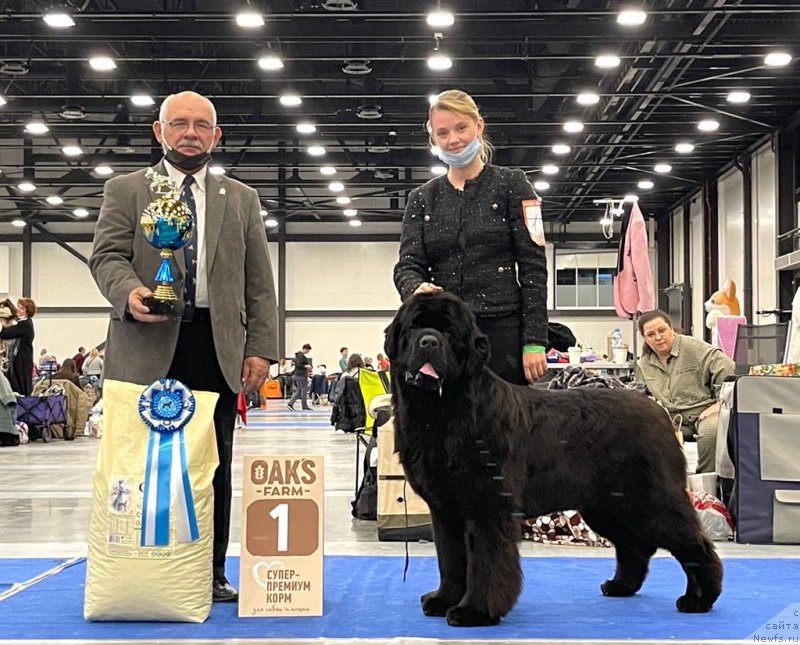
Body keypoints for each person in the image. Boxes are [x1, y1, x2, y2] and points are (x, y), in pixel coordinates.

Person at [88, 90, 278, 603]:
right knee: (137, 464)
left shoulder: (241, 199)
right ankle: (136, 564)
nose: (190, 133)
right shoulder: (125, 190)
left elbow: (258, 281)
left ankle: (211, 570)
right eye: (179, 124)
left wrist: (260, 347)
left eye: (201, 125)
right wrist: (129, 293)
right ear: (159, 131)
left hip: (216, 348)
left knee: (212, 468)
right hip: (144, 343)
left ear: (216, 136)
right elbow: (105, 257)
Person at [393, 89, 548, 386]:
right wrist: (413, 287)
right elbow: (407, 265)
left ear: (479, 126)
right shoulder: (421, 198)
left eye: (461, 127)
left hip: (503, 333)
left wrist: (534, 341)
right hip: (443, 338)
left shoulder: (514, 184)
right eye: (443, 132)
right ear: (433, 139)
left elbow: (533, 269)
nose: (453, 139)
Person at [634, 310, 734, 474]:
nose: (658, 337)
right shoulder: (643, 364)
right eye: (651, 334)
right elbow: (641, 396)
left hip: (705, 412)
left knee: (711, 433)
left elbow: (728, 368)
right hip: (671, 417)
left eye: (662, 330)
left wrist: (719, 403)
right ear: (645, 338)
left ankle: (707, 484)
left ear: (671, 328)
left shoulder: (696, 348)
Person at [0, 298, 36, 395]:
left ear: (27, 312)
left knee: (20, 390)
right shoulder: (21, 322)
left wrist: (3, 321)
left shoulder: (25, 325)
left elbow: (5, 334)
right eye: (18, 307)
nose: (18, 310)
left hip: (22, 364)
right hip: (18, 362)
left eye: (22, 308)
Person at [287, 343, 313, 411]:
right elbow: (299, 364)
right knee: (304, 390)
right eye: (308, 350)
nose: (308, 352)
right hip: (301, 375)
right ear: (305, 349)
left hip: (298, 375)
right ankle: (304, 406)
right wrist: (306, 366)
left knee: (299, 391)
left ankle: (290, 404)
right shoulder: (301, 355)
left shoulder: (299, 355)